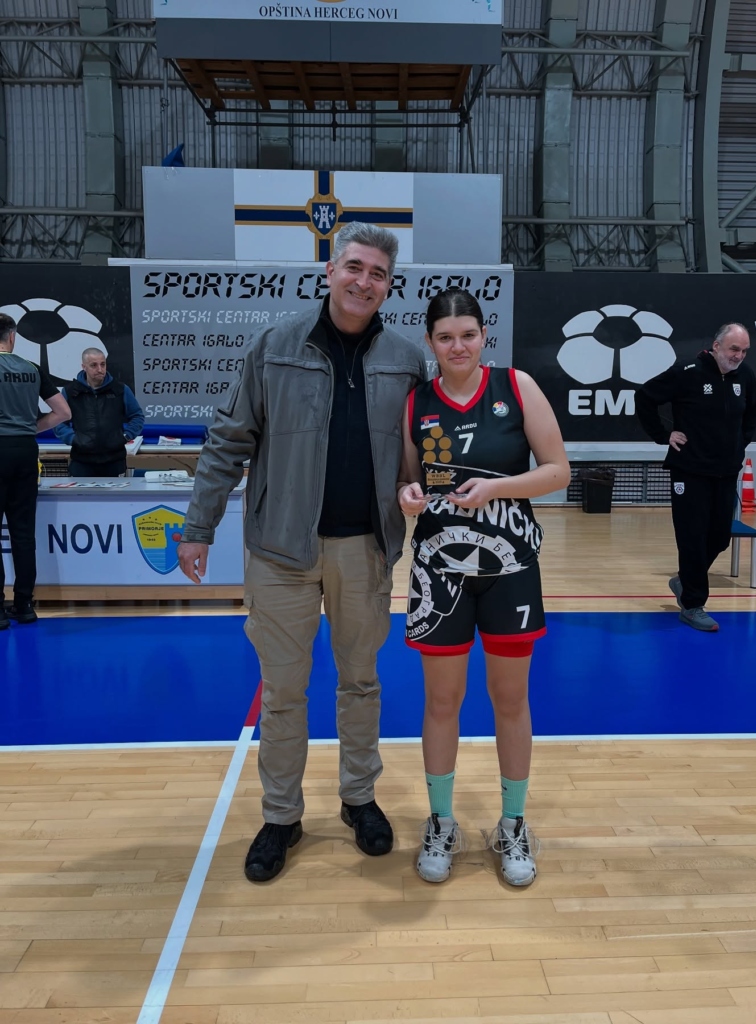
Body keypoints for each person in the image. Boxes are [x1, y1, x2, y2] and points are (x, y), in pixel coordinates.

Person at [177, 222, 426, 883]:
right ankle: (281, 816)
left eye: (377, 273)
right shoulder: (274, 346)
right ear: (330, 272)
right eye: (354, 267)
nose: (364, 281)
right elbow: (228, 440)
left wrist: (422, 495)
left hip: (365, 552)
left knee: (360, 683)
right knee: (283, 692)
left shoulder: (406, 359)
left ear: (388, 285)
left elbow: (424, 455)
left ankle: (359, 798)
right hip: (280, 552)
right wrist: (198, 526)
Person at [397, 287, 570, 887]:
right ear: (430, 342)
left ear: (483, 335)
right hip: (440, 569)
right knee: (442, 701)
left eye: (467, 335)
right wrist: (407, 495)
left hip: (511, 566)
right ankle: (441, 821)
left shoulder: (516, 386)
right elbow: (410, 481)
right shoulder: (416, 401)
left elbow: (558, 471)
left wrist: (496, 488)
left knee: (510, 699)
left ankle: (513, 823)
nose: (458, 346)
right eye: (445, 337)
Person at [635, 322, 756, 632]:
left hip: (726, 471)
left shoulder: (745, 376)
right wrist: (664, 435)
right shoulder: (687, 372)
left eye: (744, 351)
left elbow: (751, 416)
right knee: (692, 537)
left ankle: (685, 581)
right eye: (734, 349)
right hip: (689, 470)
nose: (739, 356)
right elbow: (645, 397)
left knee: (719, 538)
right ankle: (692, 605)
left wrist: (738, 446)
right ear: (716, 346)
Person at [0, 313, 71, 629]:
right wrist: (30, 428)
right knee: (23, 531)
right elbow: (63, 412)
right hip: (25, 451)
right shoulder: (31, 368)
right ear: (12, 336)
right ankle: (25, 604)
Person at [53, 347, 144, 477]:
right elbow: (58, 420)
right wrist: (73, 439)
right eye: (94, 365)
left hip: (114, 461)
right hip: (81, 462)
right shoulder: (70, 392)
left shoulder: (120, 390)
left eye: (103, 364)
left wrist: (125, 436)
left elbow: (137, 416)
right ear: (84, 367)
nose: (100, 369)